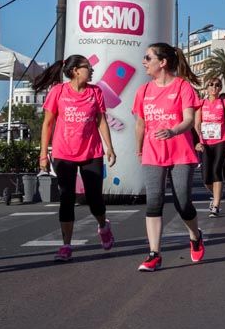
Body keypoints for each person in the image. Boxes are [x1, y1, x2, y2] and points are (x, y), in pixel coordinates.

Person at [34, 54, 118, 261]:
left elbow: (101, 121)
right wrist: (43, 154)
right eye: (87, 67)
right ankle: (66, 245)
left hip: (91, 152)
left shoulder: (95, 91)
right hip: (63, 153)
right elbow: (48, 124)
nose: (91, 70)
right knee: (67, 198)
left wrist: (110, 147)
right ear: (75, 71)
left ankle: (102, 225)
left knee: (94, 198)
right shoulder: (58, 92)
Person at [131, 42, 206, 271]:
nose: (144, 61)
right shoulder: (143, 91)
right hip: (153, 153)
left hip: (181, 152)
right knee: (154, 201)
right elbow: (140, 124)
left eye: (148, 57)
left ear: (162, 62)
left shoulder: (183, 87)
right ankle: (154, 253)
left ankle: (195, 235)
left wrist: (173, 131)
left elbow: (188, 119)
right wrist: (139, 148)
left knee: (183, 202)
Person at [195, 76, 225, 217]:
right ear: (207, 87)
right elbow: (196, 124)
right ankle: (217, 194)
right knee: (206, 177)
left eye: (217, 85)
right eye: (211, 85)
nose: (214, 87)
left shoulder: (223, 102)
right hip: (205, 143)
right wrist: (198, 141)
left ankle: (216, 204)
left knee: (217, 170)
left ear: (220, 88)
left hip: (221, 141)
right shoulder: (201, 103)